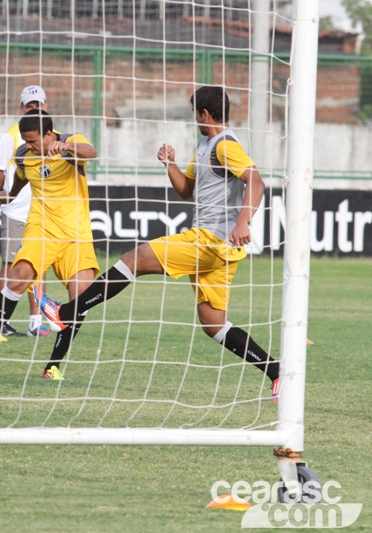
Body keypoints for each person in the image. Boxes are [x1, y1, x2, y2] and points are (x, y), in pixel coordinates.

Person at [36, 86, 280, 400]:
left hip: (209, 242)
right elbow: (186, 190)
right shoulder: (207, 145)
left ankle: (67, 313)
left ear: (204, 113)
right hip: (218, 249)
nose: (195, 118)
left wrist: (244, 221)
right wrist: (170, 164)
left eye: (195, 113)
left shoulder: (225, 146)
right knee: (213, 324)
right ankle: (276, 372)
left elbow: (255, 180)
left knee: (134, 259)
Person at [0, 109, 99, 380]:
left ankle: (52, 366)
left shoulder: (70, 143)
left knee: (81, 301)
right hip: (41, 228)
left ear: (48, 134)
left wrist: (66, 146)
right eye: (25, 140)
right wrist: (8, 195)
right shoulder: (23, 155)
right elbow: (20, 178)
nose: (27, 145)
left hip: (76, 235)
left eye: (32, 141)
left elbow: (92, 152)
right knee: (16, 279)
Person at [0, 85, 52, 338]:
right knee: (9, 264)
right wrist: (11, 194)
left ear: (45, 106)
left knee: (40, 266)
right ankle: (2, 321)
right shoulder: (9, 137)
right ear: (22, 107)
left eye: (38, 104)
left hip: (42, 211)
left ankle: (35, 322)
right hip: (16, 213)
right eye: (30, 105)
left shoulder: (52, 136)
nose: (34, 108)